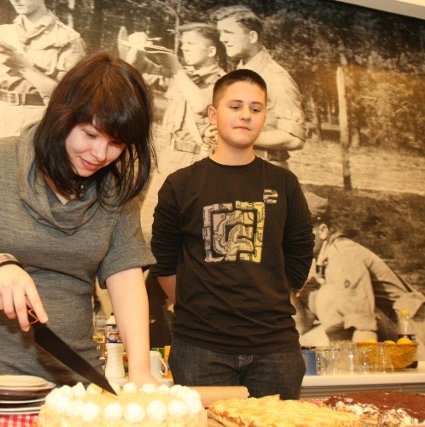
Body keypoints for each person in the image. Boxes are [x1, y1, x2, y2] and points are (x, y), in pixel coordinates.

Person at [0, 51, 158, 387]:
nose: (100, 155)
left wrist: (143, 372)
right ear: (62, 115)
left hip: (75, 379)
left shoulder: (115, 192)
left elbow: (127, 281)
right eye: (89, 134)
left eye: (115, 143)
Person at [151, 69, 314, 399]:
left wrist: (271, 292)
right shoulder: (181, 184)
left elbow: (300, 250)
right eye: (235, 106)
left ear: (264, 116)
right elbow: (164, 264)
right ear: (213, 114)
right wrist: (199, 308)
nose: (246, 115)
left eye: (256, 108)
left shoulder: (284, 184)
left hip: (276, 350)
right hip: (200, 349)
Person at [293, 192, 425, 360]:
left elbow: (364, 326)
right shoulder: (318, 261)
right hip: (391, 332)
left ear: (322, 231)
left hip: (415, 340)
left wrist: (354, 373)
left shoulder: (343, 256)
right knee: (304, 339)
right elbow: (302, 327)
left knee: (327, 297)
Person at [120, 24, 227, 240]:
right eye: (183, 43)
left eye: (191, 44)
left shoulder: (225, 81)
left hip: (197, 162)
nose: (184, 48)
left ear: (212, 51)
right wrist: (138, 47)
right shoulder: (181, 76)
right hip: (168, 158)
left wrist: (175, 67)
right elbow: (134, 72)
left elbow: (200, 105)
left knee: (188, 234)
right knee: (150, 229)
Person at [0, 0, 86, 148]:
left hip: (35, 120)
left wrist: (22, 66)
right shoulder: (1, 33)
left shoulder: (67, 39)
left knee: (25, 169)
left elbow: (67, 97)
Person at [212, 5, 306, 169]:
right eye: (221, 33)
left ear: (252, 37)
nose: (222, 39)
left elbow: (293, 138)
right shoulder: (237, 74)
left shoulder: (275, 78)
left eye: (229, 33)